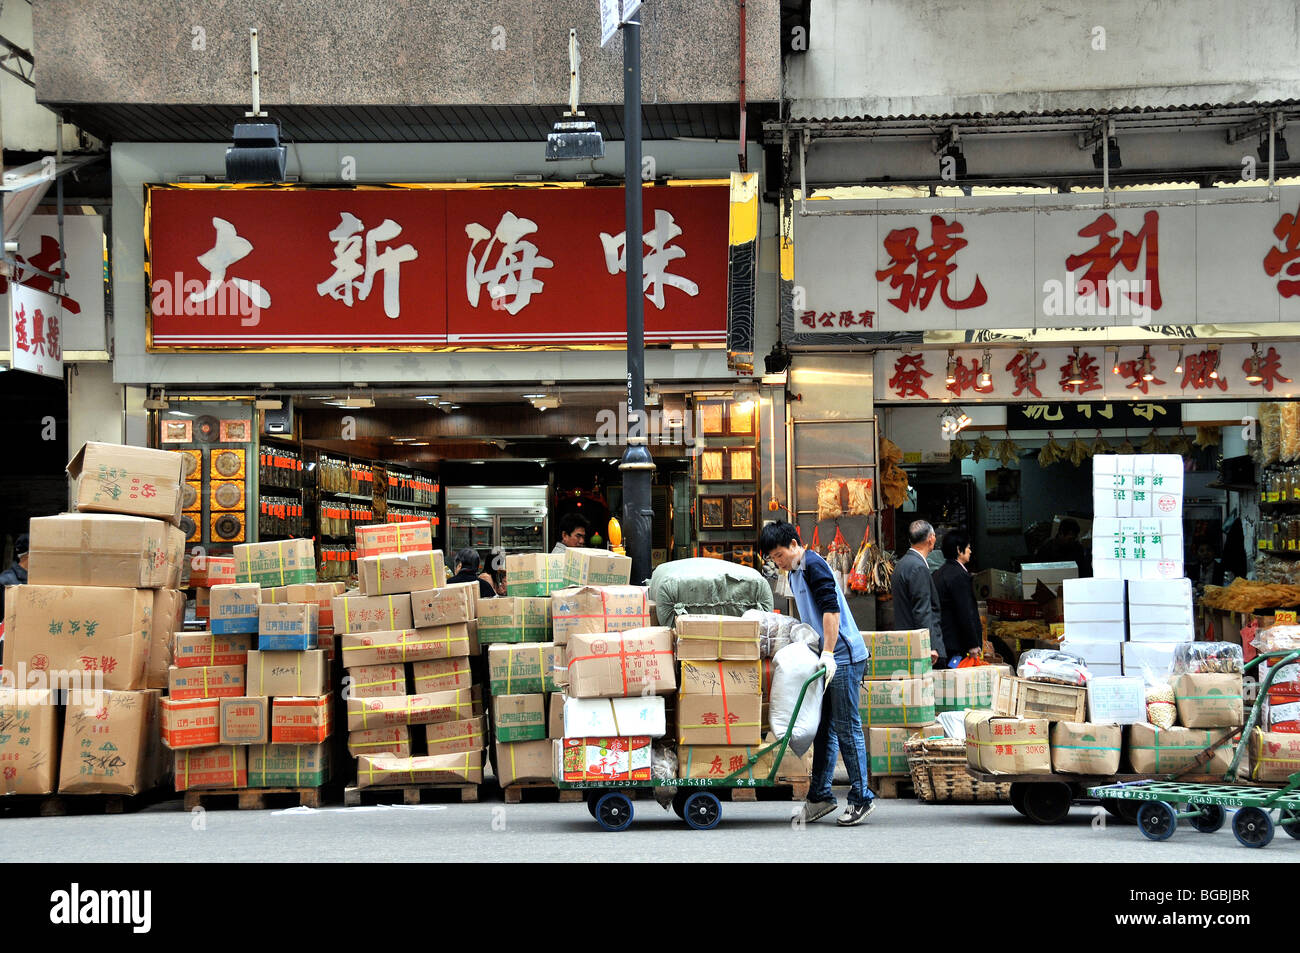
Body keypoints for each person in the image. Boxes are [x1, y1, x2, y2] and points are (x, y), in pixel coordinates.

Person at [759, 521, 875, 827]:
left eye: (780, 554)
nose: (779, 562)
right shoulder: (796, 571)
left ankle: (862, 797)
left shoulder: (813, 565)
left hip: (844, 656)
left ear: (795, 544)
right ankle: (821, 795)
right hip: (827, 656)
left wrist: (828, 652)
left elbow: (830, 610)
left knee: (847, 728)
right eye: (774, 558)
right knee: (824, 728)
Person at [891, 520, 945, 665]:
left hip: (906, 641)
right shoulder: (918, 567)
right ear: (931, 538)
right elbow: (922, 610)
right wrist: (930, 646)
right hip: (919, 647)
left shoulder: (902, 564)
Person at [932, 531, 983, 669]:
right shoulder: (959, 576)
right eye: (968, 547)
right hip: (955, 643)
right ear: (959, 550)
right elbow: (964, 611)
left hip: (944, 639)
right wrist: (972, 643)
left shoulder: (939, 573)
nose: (970, 551)